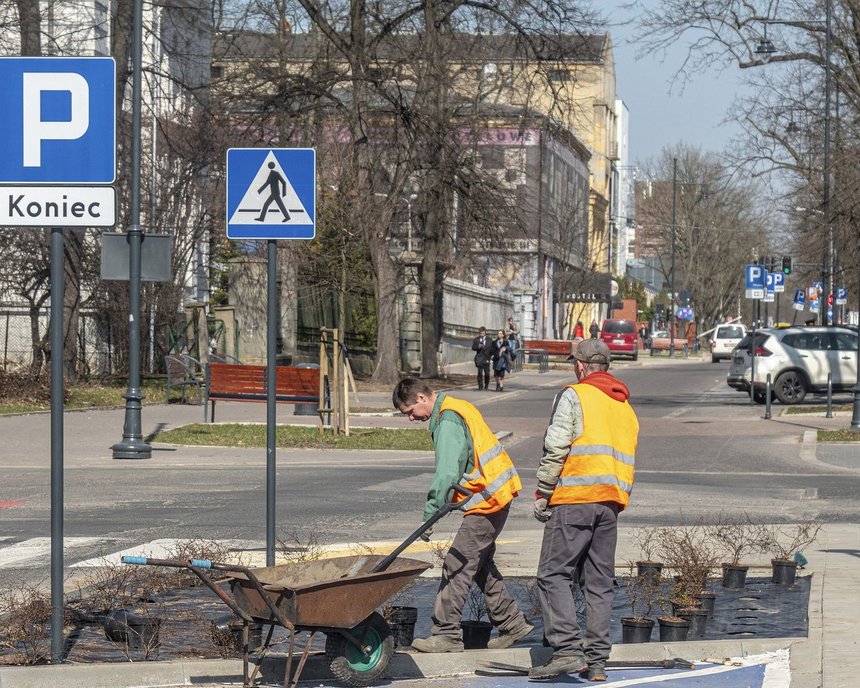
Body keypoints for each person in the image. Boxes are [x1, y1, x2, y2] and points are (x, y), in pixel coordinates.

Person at [392, 378, 534, 652]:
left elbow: (447, 471)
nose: (411, 418)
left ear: (422, 397)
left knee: (456, 564)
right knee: (478, 565)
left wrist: (430, 515)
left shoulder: (448, 420)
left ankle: (446, 635)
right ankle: (513, 623)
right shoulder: (458, 407)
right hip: (495, 497)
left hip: (487, 502)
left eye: (410, 411)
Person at [528, 339, 639, 681]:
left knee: (552, 574)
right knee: (599, 582)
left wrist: (543, 491)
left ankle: (567, 650)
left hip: (574, 500)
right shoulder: (624, 406)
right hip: (610, 504)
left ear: (579, 365)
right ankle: (598, 663)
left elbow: (556, 445)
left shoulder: (574, 395)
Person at [471, 326, 493, 390]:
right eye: (480, 333)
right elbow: (473, 348)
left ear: (485, 333)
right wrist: (478, 347)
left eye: (483, 333)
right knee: (480, 373)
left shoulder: (489, 340)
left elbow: (491, 349)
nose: (482, 335)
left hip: (486, 358)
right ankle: (480, 385)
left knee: (487, 373)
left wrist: (490, 357)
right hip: (479, 358)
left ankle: (486, 385)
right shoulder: (476, 339)